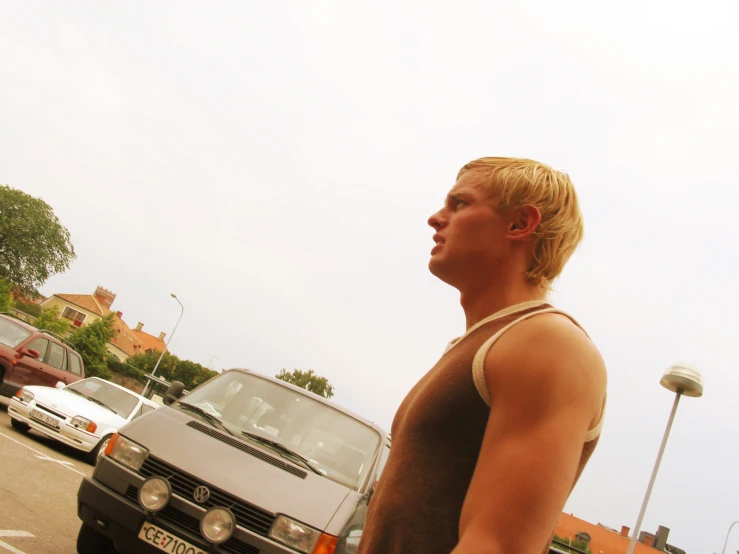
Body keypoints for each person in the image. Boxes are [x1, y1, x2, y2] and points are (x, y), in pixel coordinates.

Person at [357, 157, 607, 554]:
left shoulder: (548, 343)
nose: (436, 218)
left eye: (459, 204)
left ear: (520, 223)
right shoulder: (480, 345)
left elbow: (498, 546)